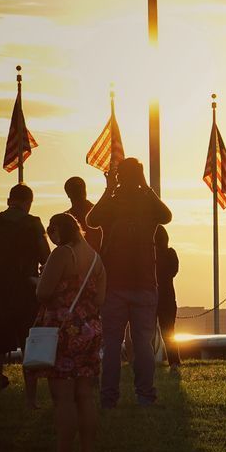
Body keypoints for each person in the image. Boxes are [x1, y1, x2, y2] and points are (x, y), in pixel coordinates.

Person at [87, 158, 172, 408]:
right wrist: (146, 186)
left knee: (112, 343)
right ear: (140, 176)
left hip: (114, 284)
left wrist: (108, 188)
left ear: (119, 177)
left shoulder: (112, 204)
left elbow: (92, 220)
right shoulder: (147, 203)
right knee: (143, 343)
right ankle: (145, 395)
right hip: (145, 283)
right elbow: (166, 216)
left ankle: (109, 397)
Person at [34, 213, 105, 452]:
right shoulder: (96, 259)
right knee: (84, 394)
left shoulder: (62, 254)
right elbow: (100, 299)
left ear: (57, 230)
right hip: (90, 329)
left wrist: (40, 281)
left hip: (63, 330)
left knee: (62, 396)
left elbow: (43, 293)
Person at [0, 183, 50, 411]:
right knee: (30, 348)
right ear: (29, 202)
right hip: (26, 293)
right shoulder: (33, 224)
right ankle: (31, 400)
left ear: (9, 201)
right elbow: (46, 256)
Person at [154, 226, 181, 370]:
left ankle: (147, 360)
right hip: (168, 297)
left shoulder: (149, 255)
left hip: (151, 296)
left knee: (147, 333)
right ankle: (174, 361)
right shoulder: (171, 254)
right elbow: (174, 271)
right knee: (169, 332)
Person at [64, 176, 102, 251]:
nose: (79, 193)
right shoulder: (65, 219)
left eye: (79, 189)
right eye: (75, 190)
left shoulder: (97, 213)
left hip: (98, 259)